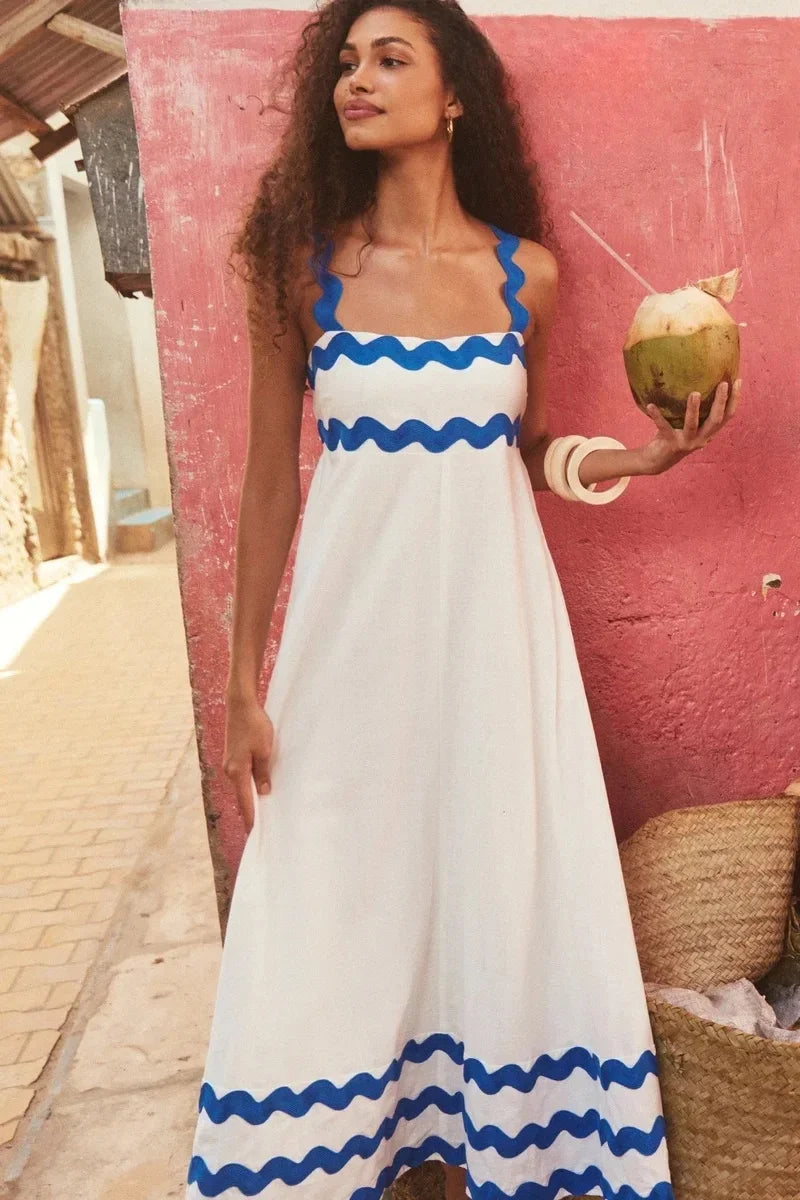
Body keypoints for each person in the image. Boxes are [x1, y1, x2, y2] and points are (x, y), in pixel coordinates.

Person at [185, 1, 741, 1198]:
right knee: (335, 911)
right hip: (344, 657)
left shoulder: (522, 277)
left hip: (493, 646)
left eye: (390, 59)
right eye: (344, 62)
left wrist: (633, 460)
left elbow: (521, 448)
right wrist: (240, 684)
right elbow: (270, 487)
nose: (356, 80)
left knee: (495, 886)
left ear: (452, 99)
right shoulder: (301, 269)